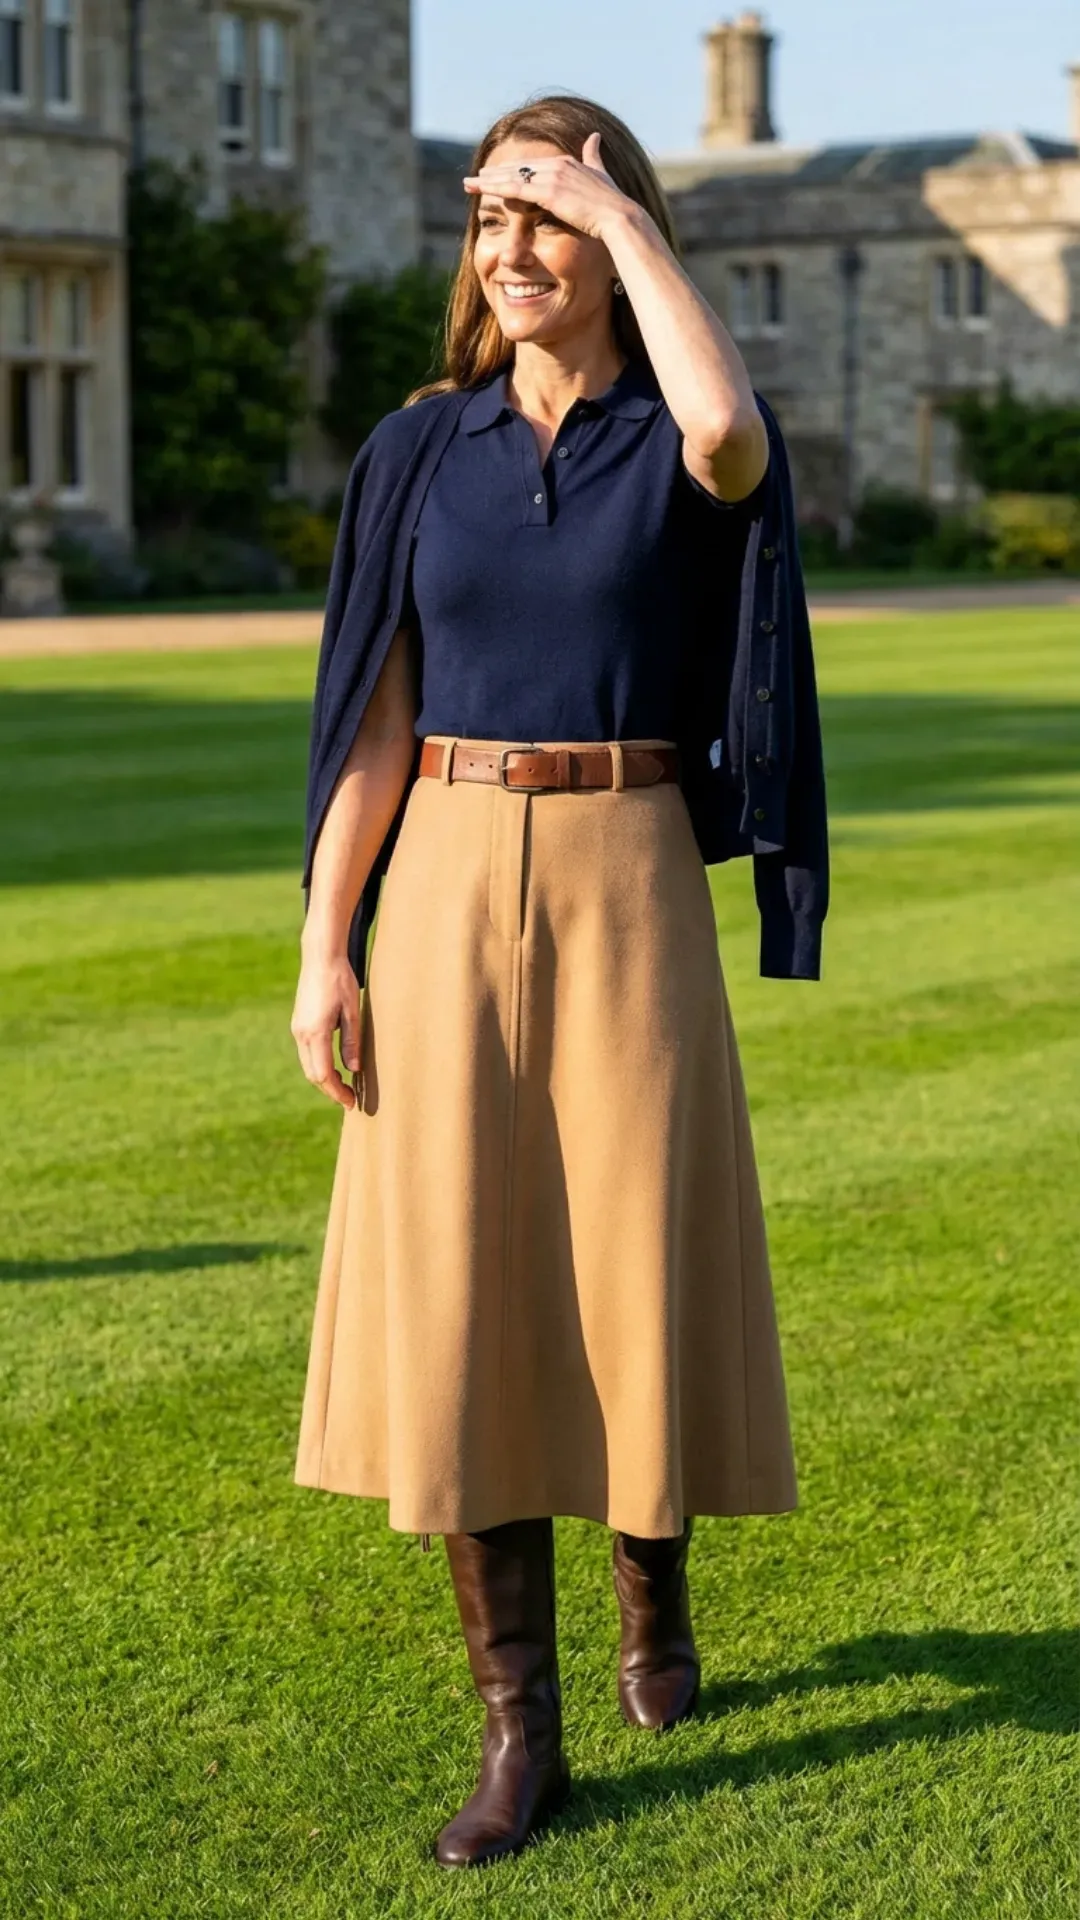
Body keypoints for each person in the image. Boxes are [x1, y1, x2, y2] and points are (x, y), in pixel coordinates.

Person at [291, 93, 827, 1871]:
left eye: (547, 222)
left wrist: (623, 213)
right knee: (467, 1284)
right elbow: (375, 715)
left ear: (613, 243)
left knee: (629, 1260)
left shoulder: (677, 434)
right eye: (490, 221)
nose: (511, 252)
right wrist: (327, 943)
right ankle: (521, 1728)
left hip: (628, 873)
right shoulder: (418, 448)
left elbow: (732, 432)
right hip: (445, 871)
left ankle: (653, 1602)